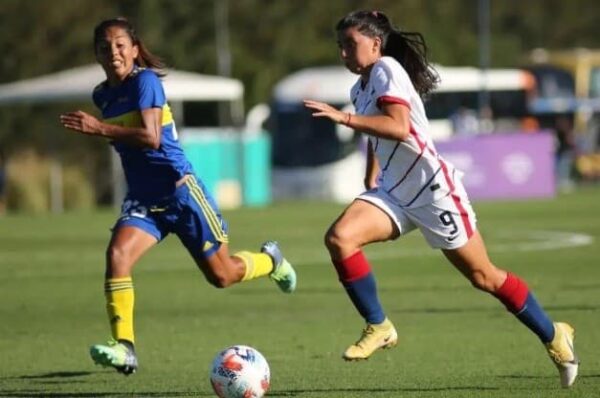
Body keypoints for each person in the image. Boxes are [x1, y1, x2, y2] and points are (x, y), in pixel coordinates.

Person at [304, 10, 578, 388]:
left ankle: (554, 334)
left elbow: (397, 127)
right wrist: (371, 174)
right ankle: (379, 325)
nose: (344, 54)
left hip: (434, 192)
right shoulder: (360, 87)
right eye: (340, 46)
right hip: (395, 192)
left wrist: (343, 119)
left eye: (350, 44)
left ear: (375, 43)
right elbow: (378, 130)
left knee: (485, 277)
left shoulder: (386, 69)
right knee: (340, 238)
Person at [59, 17, 296, 376]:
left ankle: (269, 260)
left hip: (181, 193)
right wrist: (104, 127)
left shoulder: (146, 82)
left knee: (222, 276)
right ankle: (125, 348)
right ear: (96, 54)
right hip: (144, 200)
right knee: (117, 254)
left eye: (120, 45)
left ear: (135, 49)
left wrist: (99, 128)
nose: (114, 53)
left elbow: (151, 137)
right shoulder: (102, 95)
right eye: (105, 47)